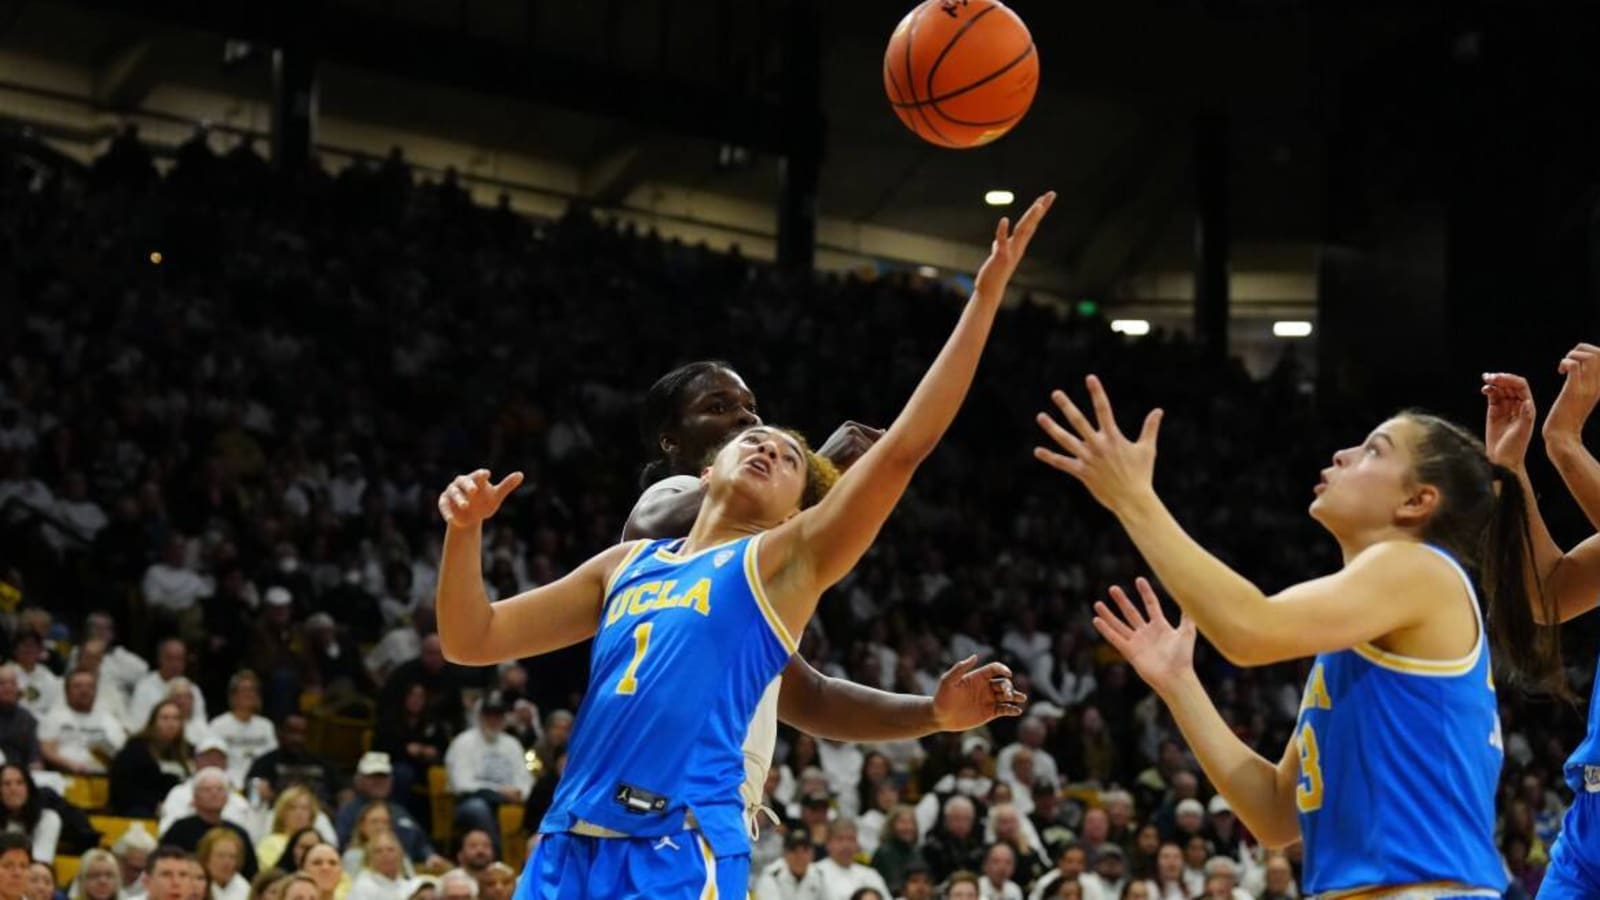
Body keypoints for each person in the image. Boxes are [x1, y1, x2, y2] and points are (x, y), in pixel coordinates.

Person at [438, 194, 1052, 898]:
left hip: (678, 841)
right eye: (747, 436)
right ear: (705, 468)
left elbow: (906, 446)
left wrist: (983, 298)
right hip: (566, 841)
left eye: (788, 454)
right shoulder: (633, 554)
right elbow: (469, 638)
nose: (760, 437)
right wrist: (463, 533)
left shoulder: (780, 566)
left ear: (803, 509)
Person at [1034, 376, 1563, 897]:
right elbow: (1275, 812)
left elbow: (1248, 629)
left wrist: (1135, 500)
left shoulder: (1419, 568)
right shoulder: (1359, 633)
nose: (1341, 455)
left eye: (1373, 452)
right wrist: (1179, 682)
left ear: (1417, 501)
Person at [622, 358, 1024, 830]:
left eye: (750, 408)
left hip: (700, 818)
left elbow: (811, 697)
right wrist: (816, 466)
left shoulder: (740, 580)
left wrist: (934, 715)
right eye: (718, 406)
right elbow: (646, 525)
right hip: (661, 808)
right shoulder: (675, 501)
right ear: (672, 440)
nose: (746, 418)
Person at [160, 768, 260, 880]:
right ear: (194, 797)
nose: (214, 793)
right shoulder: (179, 830)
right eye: (207, 789)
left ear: (227, 798)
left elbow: (251, 874)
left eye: (220, 789)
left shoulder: (239, 833)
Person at [110, 700, 196, 816]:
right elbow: (124, 789)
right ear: (153, 722)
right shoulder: (135, 749)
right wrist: (154, 805)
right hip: (141, 809)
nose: (171, 723)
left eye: (176, 718)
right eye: (165, 718)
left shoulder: (189, 751)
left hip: (179, 807)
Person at [40, 669, 127, 774]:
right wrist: (70, 764)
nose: (84, 690)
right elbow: (47, 750)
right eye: (77, 686)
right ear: (66, 692)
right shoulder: (53, 717)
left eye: (89, 686)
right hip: (65, 777)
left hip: (103, 779)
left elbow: (121, 755)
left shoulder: (110, 720)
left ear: (95, 691)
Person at [207, 672, 277, 789]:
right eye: (244, 690)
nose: (249, 694)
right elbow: (211, 761)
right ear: (233, 695)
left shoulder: (266, 725)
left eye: (253, 690)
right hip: (225, 783)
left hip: (259, 783)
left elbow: (272, 759)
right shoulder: (218, 725)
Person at [0, 764, 59, 862]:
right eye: (6, 784)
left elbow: (42, 860)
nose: (13, 789)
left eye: (20, 783)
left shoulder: (48, 818)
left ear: (29, 788)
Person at [754, 830, 825, 900]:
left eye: (805, 850)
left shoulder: (820, 875)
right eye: (794, 850)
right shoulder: (771, 875)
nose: (800, 856)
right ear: (785, 853)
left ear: (812, 854)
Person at [200, 827, 251, 900]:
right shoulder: (194, 886)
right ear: (206, 858)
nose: (227, 863)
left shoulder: (245, 890)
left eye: (232, 857)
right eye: (220, 856)